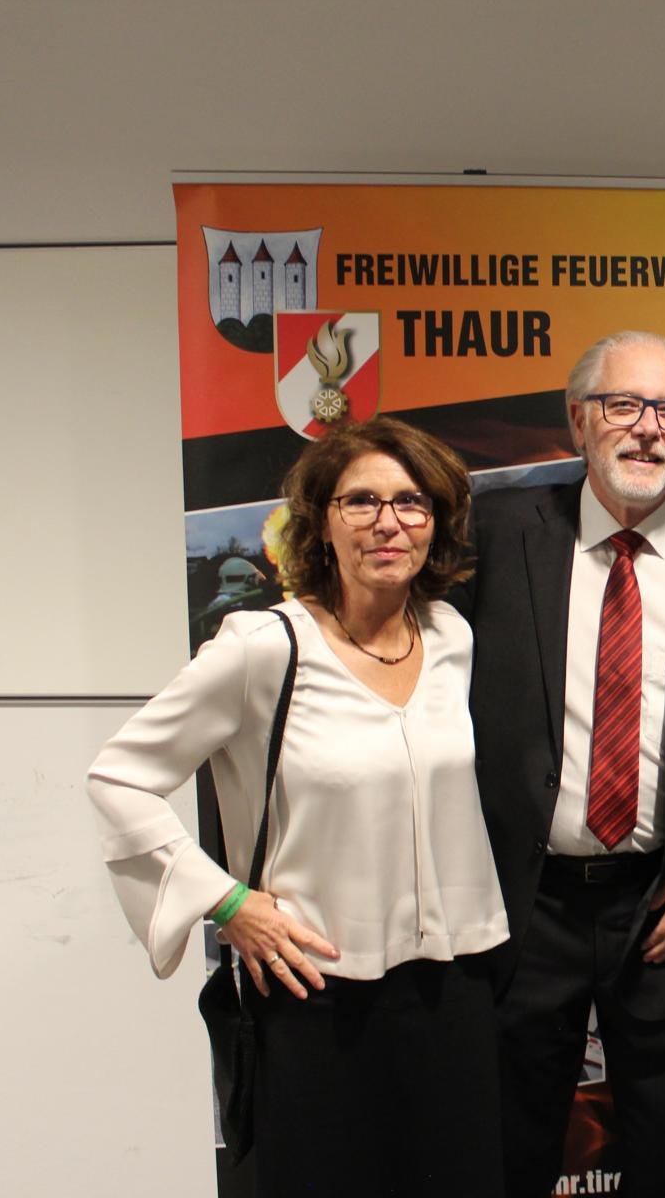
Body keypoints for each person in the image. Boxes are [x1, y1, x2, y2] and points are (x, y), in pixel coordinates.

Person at [86, 417, 508, 1196]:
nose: (388, 522)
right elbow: (119, 776)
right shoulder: (264, 646)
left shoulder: (451, 636)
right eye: (361, 501)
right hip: (316, 994)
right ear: (322, 522)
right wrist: (227, 901)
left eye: (411, 502)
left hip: (455, 992)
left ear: (437, 521)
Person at [450, 329, 665, 1198]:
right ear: (578, 419)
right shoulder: (495, 534)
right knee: (504, 1152)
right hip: (522, 904)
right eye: (623, 405)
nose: (647, 428)